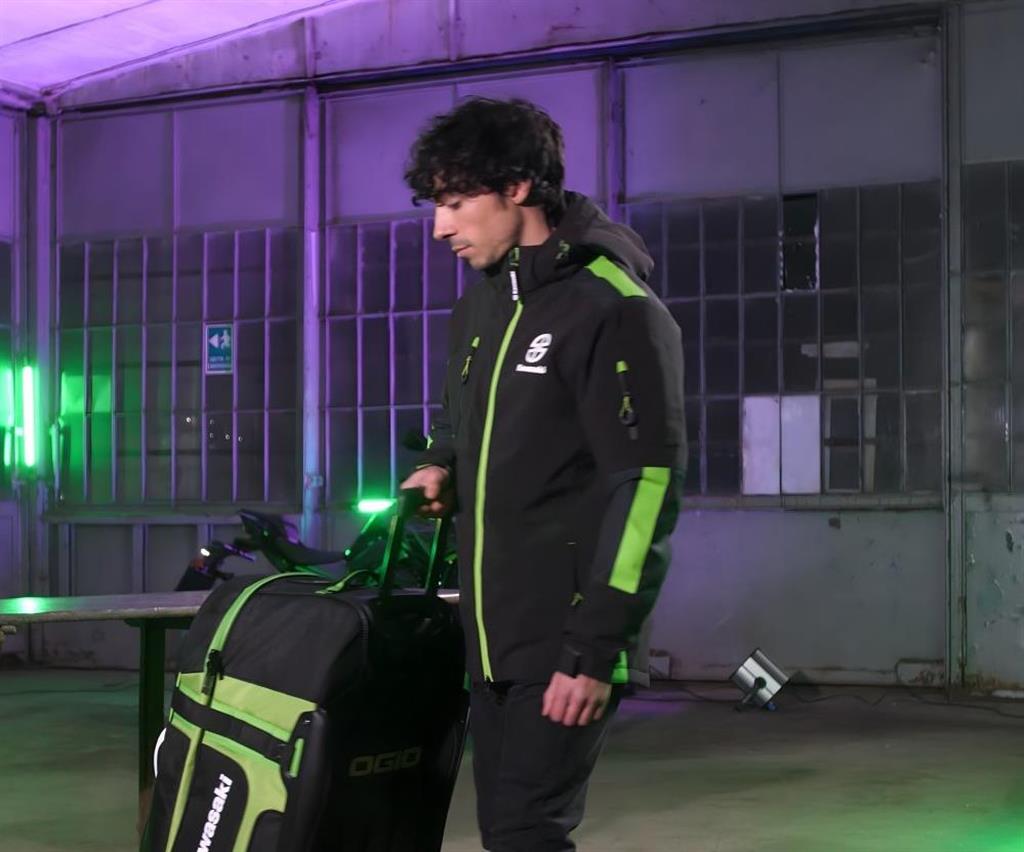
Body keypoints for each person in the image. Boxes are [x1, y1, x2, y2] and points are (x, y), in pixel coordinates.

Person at [400, 97, 686, 852]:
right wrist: (438, 465)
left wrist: (594, 651)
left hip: (566, 639)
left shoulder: (613, 309)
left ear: (518, 186)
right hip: (490, 637)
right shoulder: (482, 309)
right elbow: (461, 425)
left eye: (456, 203)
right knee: (506, 831)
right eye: (437, 206)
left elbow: (645, 488)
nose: (441, 228)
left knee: (527, 832)